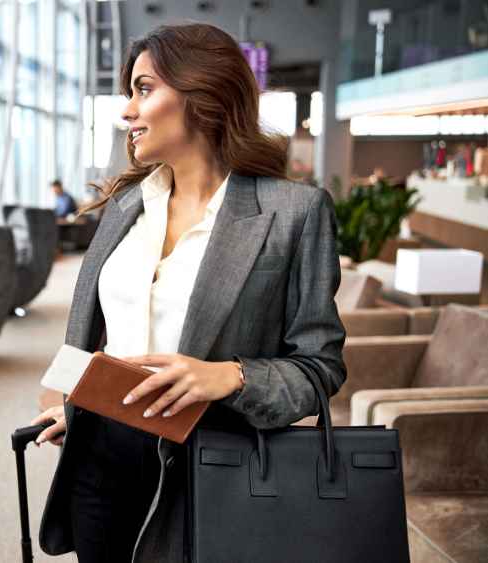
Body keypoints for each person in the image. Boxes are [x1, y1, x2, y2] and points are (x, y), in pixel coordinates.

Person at [31, 23, 346, 563]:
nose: (127, 110)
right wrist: (74, 402)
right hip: (98, 458)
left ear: (203, 93)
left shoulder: (294, 212)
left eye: (144, 89)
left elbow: (321, 368)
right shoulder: (128, 205)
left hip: (211, 464)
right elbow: (97, 332)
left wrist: (230, 375)